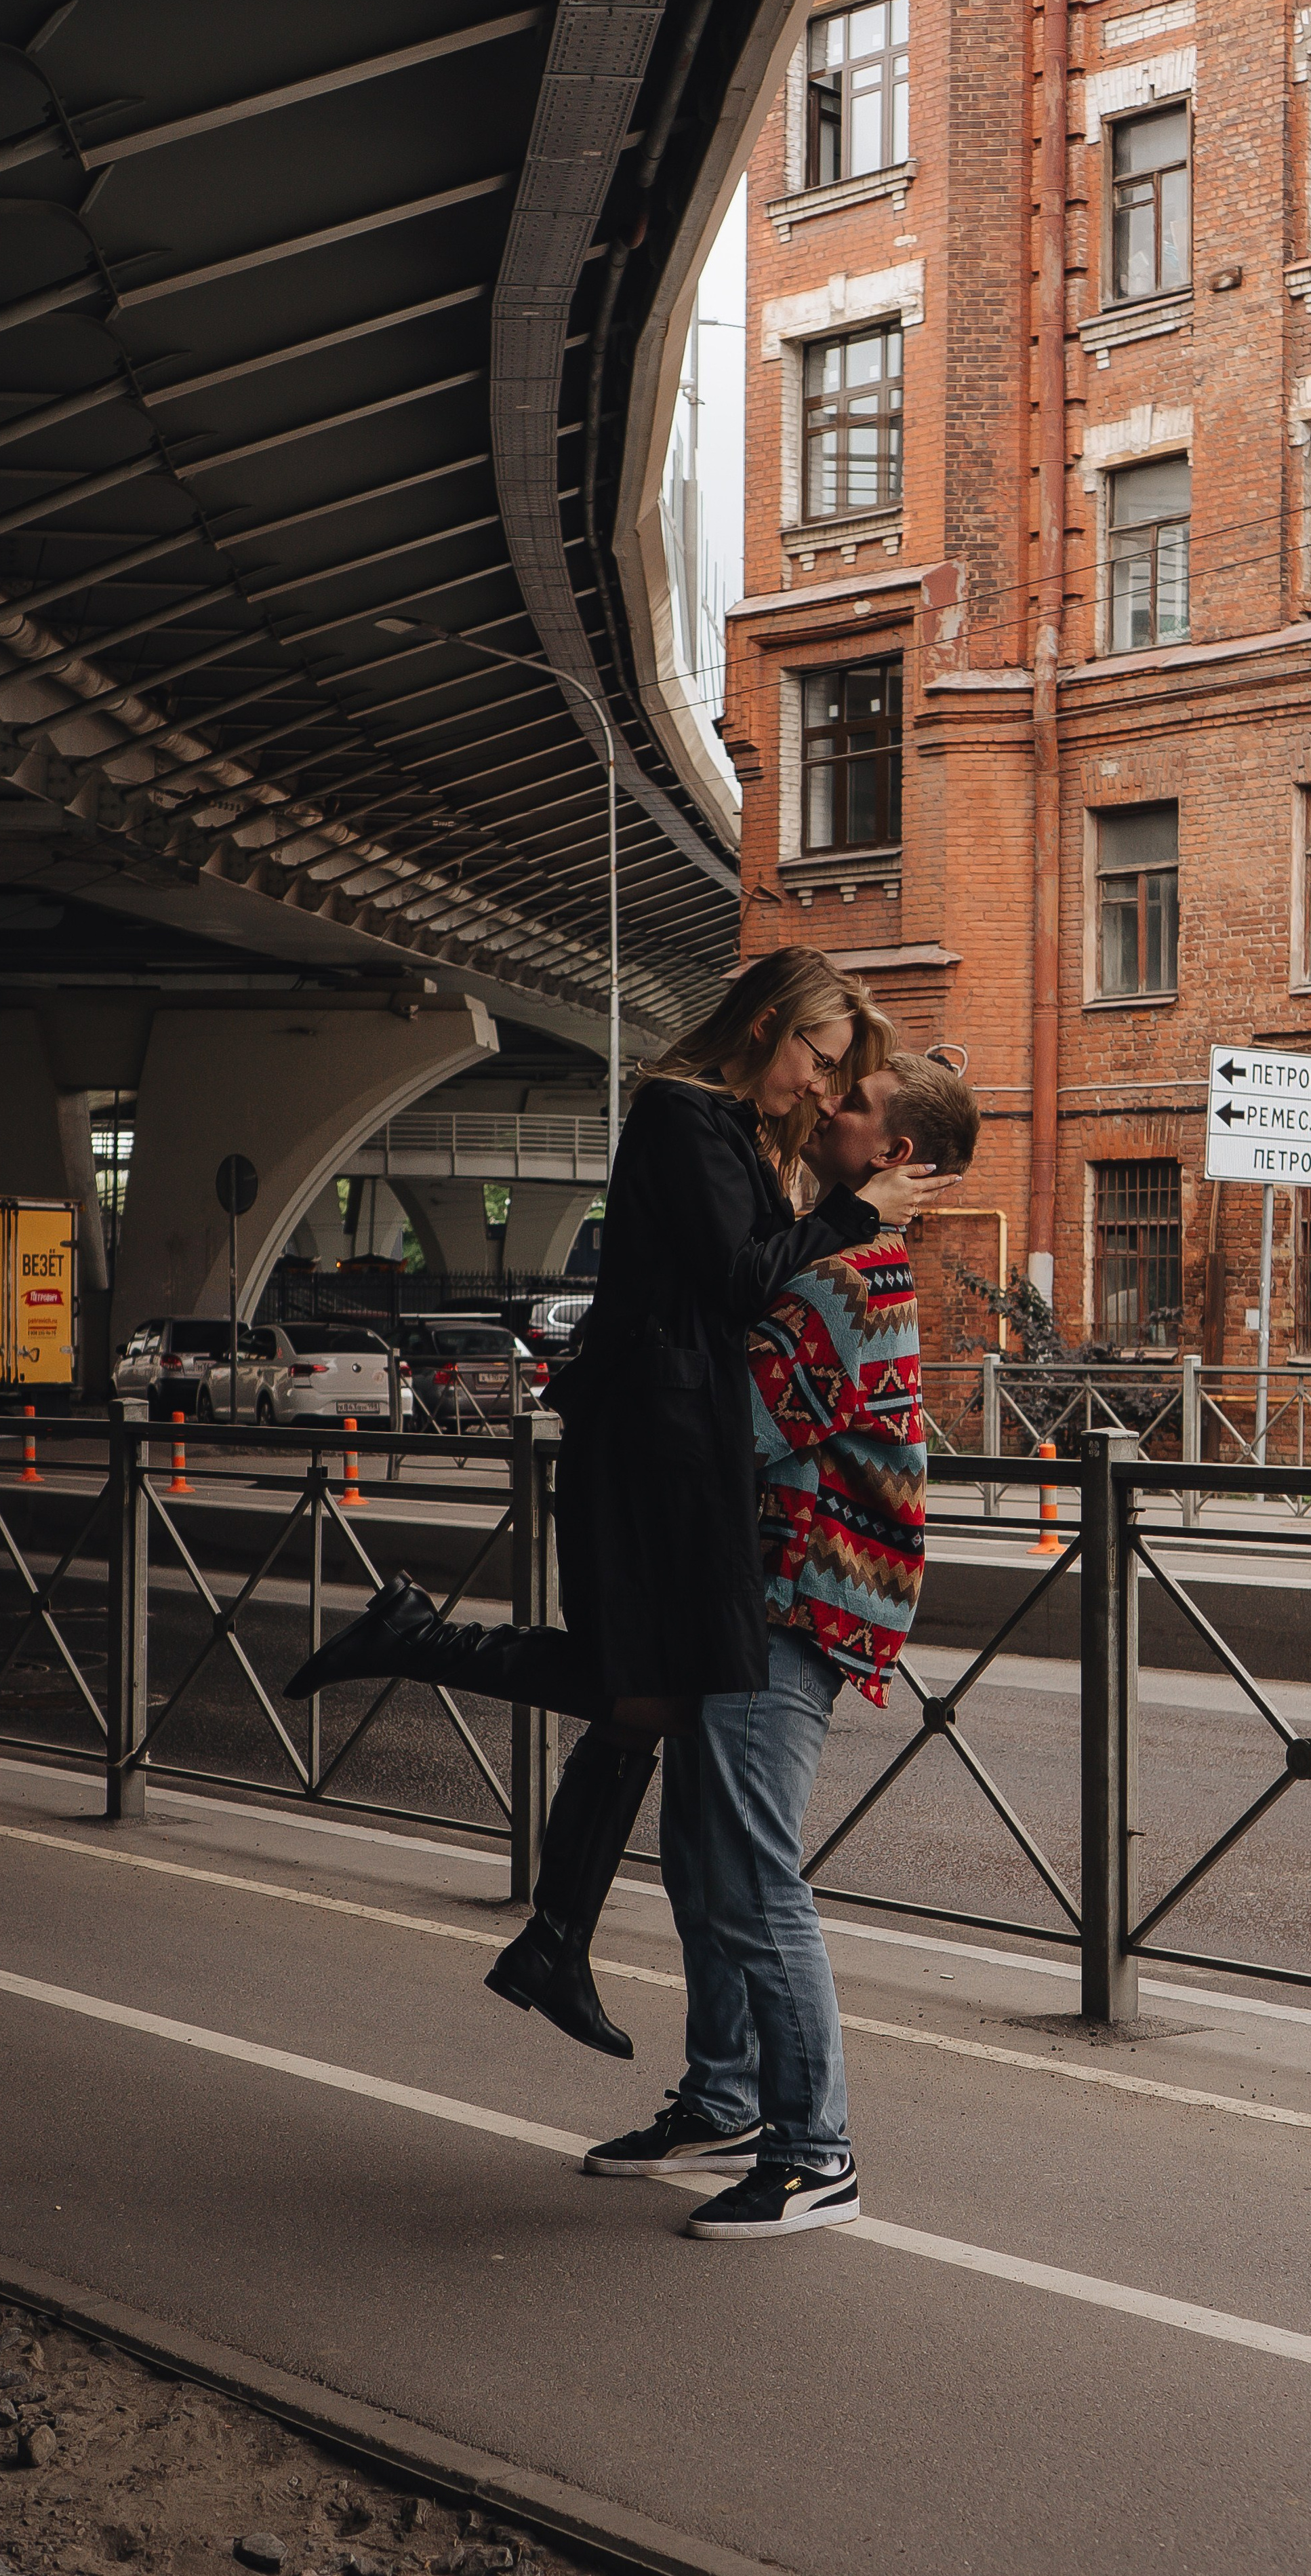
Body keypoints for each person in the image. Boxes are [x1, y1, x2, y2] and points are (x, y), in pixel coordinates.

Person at [285, 949, 954, 2057]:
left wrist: (839, 1203)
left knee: (650, 1700)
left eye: (841, 1078)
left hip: (676, 1445)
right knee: (639, 1688)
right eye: (817, 1060)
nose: (819, 1088)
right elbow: (744, 1281)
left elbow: (743, 1285)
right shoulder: (683, 1117)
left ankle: (554, 1940)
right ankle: (419, 1651)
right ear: (765, 1025)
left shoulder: (730, 1129)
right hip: (654, 1445)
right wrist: (851, 1207)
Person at [584, 1052, 981, 2238]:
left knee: (756, 1880)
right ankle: (725, 2101)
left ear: (894, 1153)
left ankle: (818, 2157)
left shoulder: (849, 1279)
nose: (826, 1105)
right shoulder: (830, 1254)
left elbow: (731, 1431)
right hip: (751, 1597)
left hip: (791, 1607)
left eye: (851, 1104)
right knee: (707, 1867)